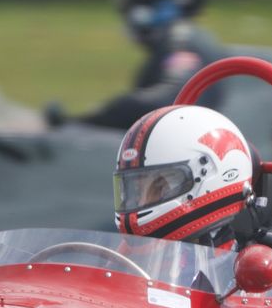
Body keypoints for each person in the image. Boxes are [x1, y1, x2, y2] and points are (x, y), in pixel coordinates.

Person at [87, 0, 227, 131]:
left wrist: (96, 119)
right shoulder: (181, 42)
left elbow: (169, 102)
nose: (124, 11)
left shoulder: (182, 42)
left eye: (128, 1)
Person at [112, 103, 262, 250]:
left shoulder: (250, 268)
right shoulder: (124, 258)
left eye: (159, 187)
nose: (141, 201)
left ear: (207, 174)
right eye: (136, 192)